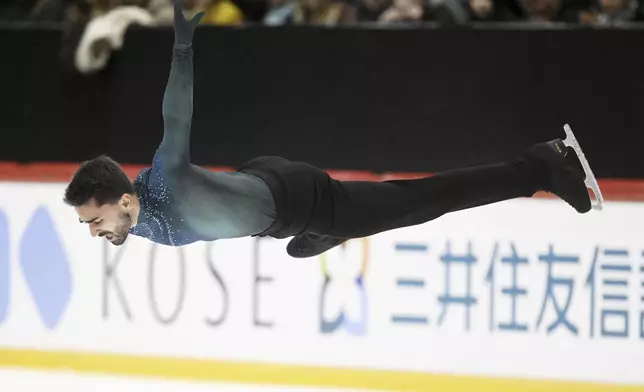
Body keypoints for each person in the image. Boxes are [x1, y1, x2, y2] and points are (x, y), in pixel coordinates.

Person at [63, 0, 600, 258]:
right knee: (295, 233)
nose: (94, 231)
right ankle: (318, 230)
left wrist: (181, 46)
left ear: (124, 199)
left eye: (94, 219)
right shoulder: (134, 214)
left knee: (419, 202)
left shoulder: (166, 180)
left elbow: (175, 116)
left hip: (298, 195)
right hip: (263, 184)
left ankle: (541, 163)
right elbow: (117, 181)